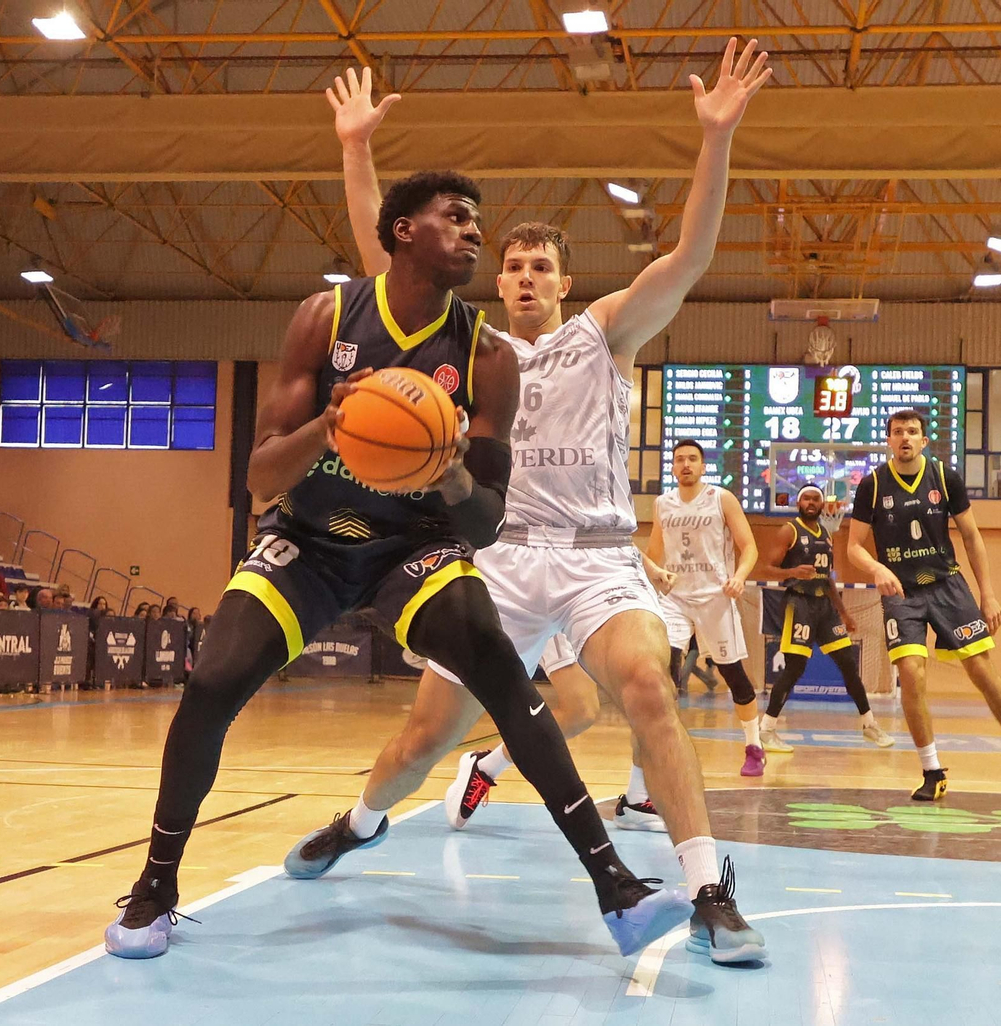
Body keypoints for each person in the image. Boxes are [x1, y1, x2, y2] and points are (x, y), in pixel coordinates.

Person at [106, 164, 686, 964]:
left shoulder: (486, 355)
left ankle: (617, 889)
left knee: (505, 677)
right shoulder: (327, 316)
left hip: (414, 546)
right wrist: (331, 427)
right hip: (309, 542)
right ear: (405, 231)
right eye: (459, 217)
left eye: (479, 221)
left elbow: (482, 523)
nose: (477, 233)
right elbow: (260, 475)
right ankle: (156, 889)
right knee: (209, 687)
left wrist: (450, 475)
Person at [297, 44, 773, 967]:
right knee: (423, 739)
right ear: (498, 277)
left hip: (596, 555)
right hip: (501, 559)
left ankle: (708, 888)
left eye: (539, 266)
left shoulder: (607, 332)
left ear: (562, 281)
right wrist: (356, 150)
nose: (521, 276)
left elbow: (692, 253)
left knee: (644, 688)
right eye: (510, 264)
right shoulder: (468, 343)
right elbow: (376, 255)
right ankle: (359, 822)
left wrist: (715, 138)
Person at [846, 408, 1001, 802]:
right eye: (896, 432)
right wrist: (876, 568)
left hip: (947, 585)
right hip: (902, 594)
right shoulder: (872, 485)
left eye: (911, 431)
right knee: (911, 674)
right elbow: (853, 546)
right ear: (888, 440)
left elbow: (972, 538)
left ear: (924, 441)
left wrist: (987, 593)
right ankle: (932, 771)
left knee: (981, 671)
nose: (904, 437)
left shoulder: (944, 478)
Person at [643, 439, 763, 779]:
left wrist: (739, 577)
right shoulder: (662, 504)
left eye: (692, 459)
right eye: (679, 459)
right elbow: (653, 551)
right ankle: (664, 746)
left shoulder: (721, 498)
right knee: (666, 668)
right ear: (673, 466)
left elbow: (748, 546)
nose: (685, 464)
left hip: (715, 595)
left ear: (703, 465)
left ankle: (754, 746)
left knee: (733, 674)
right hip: (677, 598)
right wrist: (654, 573)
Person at [753, 485, 894, 752]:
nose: (811, 502)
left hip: (825, 608)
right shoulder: (789, 530)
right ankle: (767, 729)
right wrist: (793, 570)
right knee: (794, 668)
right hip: (800, 603)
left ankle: (869, 724)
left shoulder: (827, 535)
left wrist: (843, 612)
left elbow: (828, 579)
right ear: (798, 503)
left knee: (848, 664)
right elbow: (765, 567)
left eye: (816, 499)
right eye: (806, 498)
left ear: (822, 505)